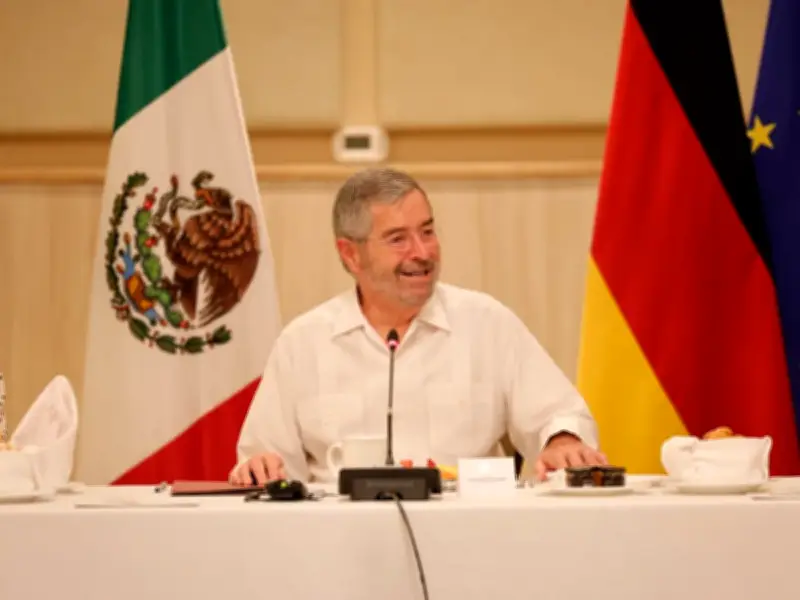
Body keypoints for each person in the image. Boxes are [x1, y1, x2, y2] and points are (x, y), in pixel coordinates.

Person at [230, 167, 606, 485]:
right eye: (398, 239)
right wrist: (260, 468)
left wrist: (562, 440)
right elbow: (268, 461)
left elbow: (559, 414)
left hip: (468, 532)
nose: (423, 252)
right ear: (351, 254)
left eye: (427, 231)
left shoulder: (487, 323)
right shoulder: (303, 343)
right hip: (341, 538)